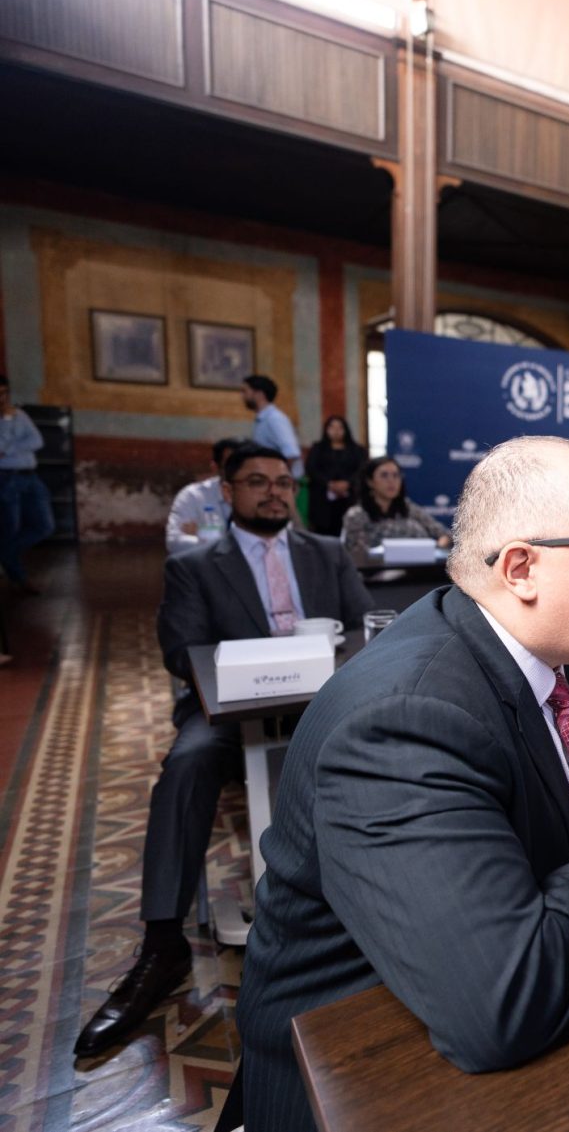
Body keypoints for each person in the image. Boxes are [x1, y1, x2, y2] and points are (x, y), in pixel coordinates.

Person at [235, 437, 569, 1132]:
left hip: (526, 999)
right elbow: (497, 1005)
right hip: (361, 1068)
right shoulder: (403, 722)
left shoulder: (567, 657)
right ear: (521, 569)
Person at [75, 444, 373, 1059]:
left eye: (283, 483)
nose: (274, 492)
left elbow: (364, 626)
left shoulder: (325, 551)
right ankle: (162, 944)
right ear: (228, 492)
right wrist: (257, 669)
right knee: (186, 764)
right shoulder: (195, 565)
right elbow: (179, 650)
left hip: (321, 704)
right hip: (228, 714)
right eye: (258, 482)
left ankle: (370, 906)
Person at [0, 373, 55, 593]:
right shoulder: (9, 418)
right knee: (10, 529)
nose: (2, 399)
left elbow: (37, 441)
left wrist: (10, 449)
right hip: (6, 478)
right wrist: (7, 423)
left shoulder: (19, 414)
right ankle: (19, 577)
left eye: (4, 393)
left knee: (44, 526)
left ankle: (5, 555)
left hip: (31, 476)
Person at [340, 455, 451, 562]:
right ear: (370, 482)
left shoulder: (408, 508)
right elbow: (358, 554)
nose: (391, 481)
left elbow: (444, 534)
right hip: (376, 571)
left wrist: (436, 549)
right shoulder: (356, 515)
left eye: (396, 475)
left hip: (419, 568)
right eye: (384, 475)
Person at [165, 437, 245, 552]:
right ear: (215, 468)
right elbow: (174, 542)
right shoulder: (193, 496)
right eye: (232, 466)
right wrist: (222, 546)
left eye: (244, 466)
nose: (240, 471)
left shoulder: (262, 496)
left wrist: (203, 536)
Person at [304, 416, 368, 536]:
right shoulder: (317, 449)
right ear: (326, 430)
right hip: (323, 500)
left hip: (350, 498)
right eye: (332, 427)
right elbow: (311, 469)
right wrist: (329, 484)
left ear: (345, 430)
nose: (336, 431)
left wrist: (347, 483)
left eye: (340, 427)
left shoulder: (357, 450)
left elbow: (362, 470)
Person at [241, 375, 303, 477]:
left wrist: (282, 480)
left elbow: (291, 453)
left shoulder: (275, 419)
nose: (242, 396)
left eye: (245, 391)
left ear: (259, 394)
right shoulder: (262, 419)